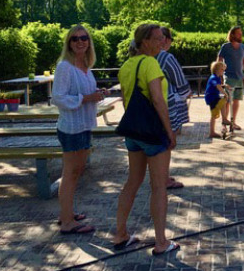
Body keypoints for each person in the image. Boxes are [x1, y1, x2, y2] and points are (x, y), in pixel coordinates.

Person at [114, 24, 178, 256]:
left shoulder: (126, 66)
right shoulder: (151, 63)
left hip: (134, 132)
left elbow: (125, 100)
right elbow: (158, 100)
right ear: (145, 42)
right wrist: (169, 131)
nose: (163, 42)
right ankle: (161, 242)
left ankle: (120, 233)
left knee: (133, 181)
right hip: (152, 132)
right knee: (159, 186)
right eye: (158, 38)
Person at [52, 25, 105, 234]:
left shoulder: (85, 65)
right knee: (71, 172)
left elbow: (83, 93)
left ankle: (66, 213)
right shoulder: (65, 66)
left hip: (84, 125)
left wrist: (97, 93)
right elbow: (58, 97)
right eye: (75, 39)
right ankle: (67, 222)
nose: (80, 42)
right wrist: (87, 98)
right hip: (71, 127)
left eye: (84, 38)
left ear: (89, 42)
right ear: (69, 43)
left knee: (78, 170)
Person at [156, 26, 191, 190]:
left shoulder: (141, 56)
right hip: (167, 106)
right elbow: (180, 81)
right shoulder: (165, 57)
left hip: (148, 107)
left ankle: (160, 176)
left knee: (157, 143)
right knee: (166, 143)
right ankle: (163, 179)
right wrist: (186, 93)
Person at [217, 26, 244, 131]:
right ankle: (224, 123)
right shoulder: (225, 46)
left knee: (236, 100)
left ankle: (233, 123)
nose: (241, 34)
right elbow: (219, 60)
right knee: (226, 101)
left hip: (239, 77)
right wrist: (219, 75)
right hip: (228, 77)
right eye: (238, 33)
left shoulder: (242, 47)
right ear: (232, 34)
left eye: (241, 33)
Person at [204, 61, 233, 139]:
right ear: (217, 70)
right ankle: (224, 120)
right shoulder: (213, 77)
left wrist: (225, 85)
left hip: (214, 96)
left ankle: (213, 131)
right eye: (222, 69)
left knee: (215, 114)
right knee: (222, 102)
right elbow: (217, 86)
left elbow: (218, 85)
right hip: (211, 97)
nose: (223, 71)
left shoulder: (216, 77)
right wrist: (225, 93)